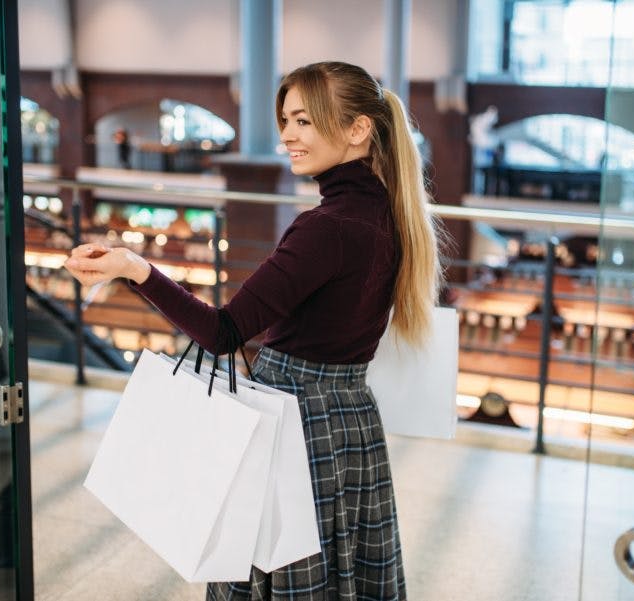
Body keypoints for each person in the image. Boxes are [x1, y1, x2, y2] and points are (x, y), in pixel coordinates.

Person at [64, 61, 443, 601]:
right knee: (345, 577)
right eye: (285, 119)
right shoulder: (390, 213)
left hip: (295, 421)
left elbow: (223, 332)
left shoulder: (325, 228)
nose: (288, 135)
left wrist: (135, 268)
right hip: (351, 420)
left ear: (358, 129)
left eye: (306, 121)